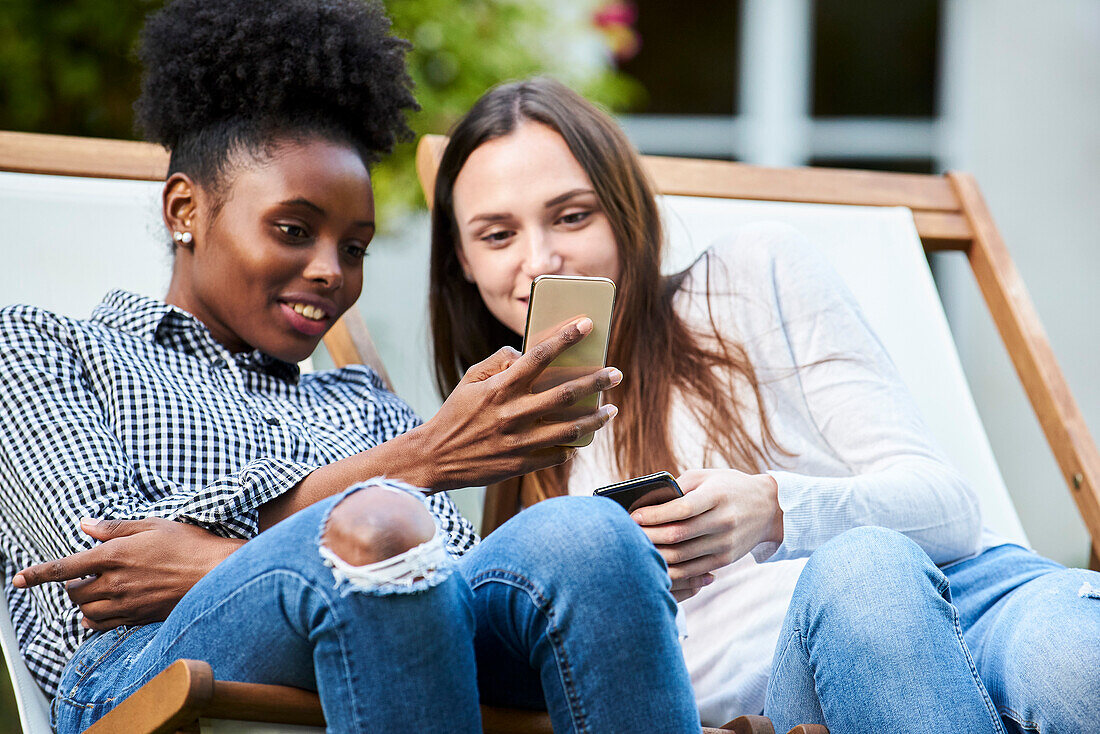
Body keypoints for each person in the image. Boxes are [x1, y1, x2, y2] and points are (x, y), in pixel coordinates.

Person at [0, 5, 703, 732]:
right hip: (142, 674)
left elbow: (448, 588)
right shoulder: (41, 347)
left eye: (356, 247)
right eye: (295, 230)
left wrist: (209, 550)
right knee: (380, 522)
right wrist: (420, 461)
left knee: (593, 539)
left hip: (397, 650)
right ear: (186, 210)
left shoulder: (359, 402)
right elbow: (101, 567)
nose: (330, 271)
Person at [428, 77, 1100, 733]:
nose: (542, 258)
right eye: (497, 236)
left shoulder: (748, 275)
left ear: (624, 209)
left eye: (573, 216)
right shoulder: (514, 465)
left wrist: (772, 508)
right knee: (862, 573)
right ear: (461, 258)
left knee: (1075, 662)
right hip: (824, 674)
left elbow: (950, 507)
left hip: (980, 596)